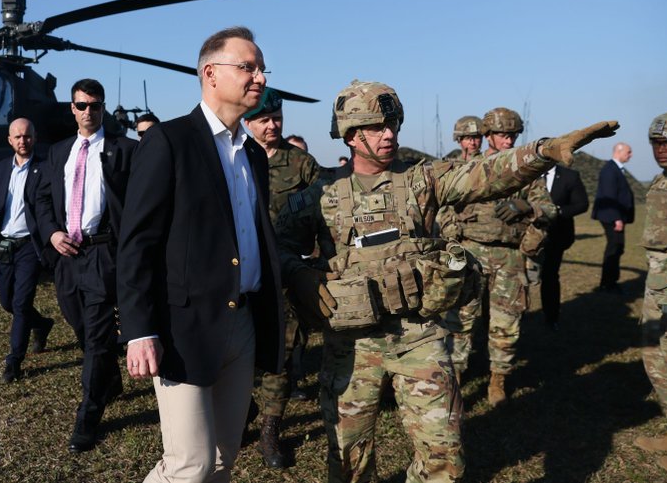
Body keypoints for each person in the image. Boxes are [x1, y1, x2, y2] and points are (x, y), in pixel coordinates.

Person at [275, 81, 616, 483]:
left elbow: (486, 174)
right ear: (351, 134)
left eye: (393, 125)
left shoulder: (424, 180)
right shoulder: (320, 194)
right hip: (350, 348)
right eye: (377, 127)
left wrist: (541, 151)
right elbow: (277, 247)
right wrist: (297, 274)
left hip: (420, 337)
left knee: (445, 459)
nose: (390, 135)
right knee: (348, 460)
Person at [116, 26, 284, 483]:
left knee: (223, 458)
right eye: (247, 67)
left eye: (261, 68)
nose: (259, 78)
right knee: (190, 466)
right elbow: (137, 242)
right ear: (210, 73)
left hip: (243, 323)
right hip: (183, 327)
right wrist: (139, 331)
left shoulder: (254, 155)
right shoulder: (169, 141)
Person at [34, 78, 137, 453]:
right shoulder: (59, 152)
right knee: (79, 325)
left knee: (95, 337)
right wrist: (51, 233)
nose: (88, 112)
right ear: (71, 109)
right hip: (66, 256)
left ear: (103, 107)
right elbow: (43, 199)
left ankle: (88, 417)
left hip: (102, 253)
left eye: (95, 105)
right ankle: (110, 379)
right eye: (81, 105)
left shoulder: (124, 150)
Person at [445, 107, 557, 405]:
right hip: (471, 251)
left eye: (513, 136)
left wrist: (527, 208)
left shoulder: (528, 169)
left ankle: (498, 380)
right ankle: (454, 378)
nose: (508, 141)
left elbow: (550, 209)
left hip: (509, 256)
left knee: (506, 322)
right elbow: (446, 207)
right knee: (460, 319)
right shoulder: (471, 168)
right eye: (502, 135)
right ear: (488, 135)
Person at [243, 89, 321, 468]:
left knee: (282, 350)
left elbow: (325, 213)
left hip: (285, 272)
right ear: (247, 121)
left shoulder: (302, 164)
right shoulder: (236, 158)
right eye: (263, 119)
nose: (272, 125)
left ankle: (270, 430)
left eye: (277, 118)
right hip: (239, 270)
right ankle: (242, 411)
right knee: (239, 348)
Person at [0, 118, 54, 384]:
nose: (22, 141)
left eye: (27, 136)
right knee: (8, 302)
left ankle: (14, 361)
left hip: (30, 245)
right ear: (9, 140)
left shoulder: (45, 168)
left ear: (34, 138)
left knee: (21, 302)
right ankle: (41, 324)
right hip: (4, 245)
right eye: (17, 137)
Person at [634, 113, 667, 473]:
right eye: (657, 143)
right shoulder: (662, 181)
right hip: (657, 285)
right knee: (653, 354)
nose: (663, 149)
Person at [540, 163, 589, 329]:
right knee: (522, 276)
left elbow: (582, 204)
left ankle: (551, 317)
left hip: (556, 236)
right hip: (527, 236)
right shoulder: (529, 173)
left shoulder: (570, 176)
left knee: (550, 276)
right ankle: (518, 314)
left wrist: (558, 211)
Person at [592, 142, 635, 293]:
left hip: (615, 216)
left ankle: (610, 281)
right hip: (612, 217)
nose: (630, 155)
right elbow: (609, 197)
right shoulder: (610, 170)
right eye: (629, 152)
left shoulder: (615, 169)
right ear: (619, 151)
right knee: (614, 248)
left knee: (617, 247)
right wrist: (617, 218)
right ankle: (608, 283)